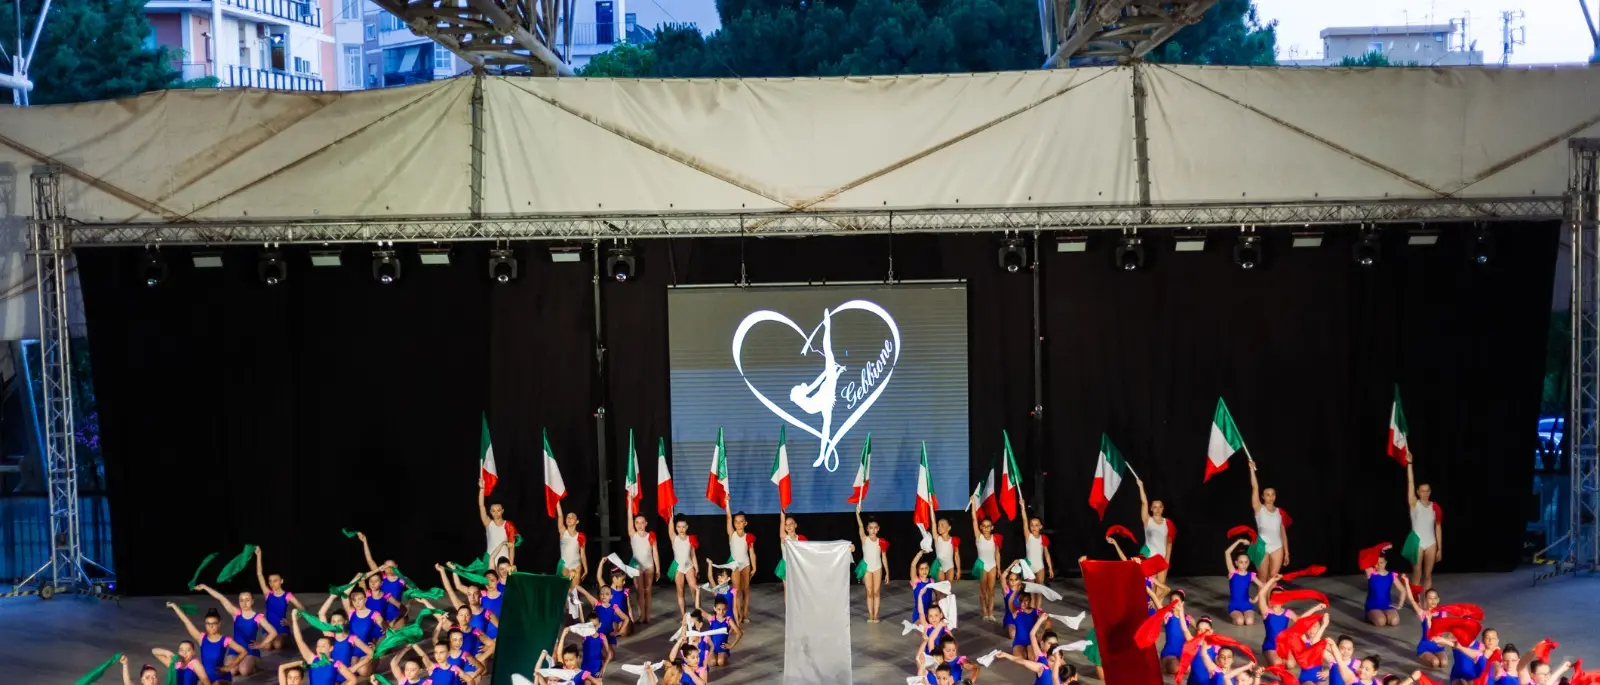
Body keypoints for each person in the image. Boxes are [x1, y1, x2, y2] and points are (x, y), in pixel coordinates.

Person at [193, 584, 277, 678]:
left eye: (247, 600)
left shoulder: (258, 617)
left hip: (250, 650)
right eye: (242, 600)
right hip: (235, 650)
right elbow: (221, 598)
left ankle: (255, 666)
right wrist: (205, 587)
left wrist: (261, 644)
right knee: (232, 671)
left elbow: (273, 632)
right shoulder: (236, 614)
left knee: (244, 671)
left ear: (252, 601)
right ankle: (245, 663)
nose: (244, 603)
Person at [168, 604, 250, 683]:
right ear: (205, 624)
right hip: (205, 677)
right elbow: (187, 622)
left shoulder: (225, 640)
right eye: (208, 623)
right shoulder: (202, 638)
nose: (211, 626)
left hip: (220, 677)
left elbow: (243, 652)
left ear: (219, 624)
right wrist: (175, 607)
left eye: (214, 623)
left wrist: (228, 667)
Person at [288, 610, 365, 685]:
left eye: (323, 646)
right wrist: (294, 620)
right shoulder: (312, 660)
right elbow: (299, 641)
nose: (320, 649)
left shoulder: (336, 664)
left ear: (331, 648)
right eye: (318, 646)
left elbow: (353, 680)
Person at [254, 547, 308, 652]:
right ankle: (272, 638)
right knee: (267, 647)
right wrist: (259, 555)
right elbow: (259, 574)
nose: (272, 583)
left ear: (281, 581)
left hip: (281, 626)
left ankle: (287, 637)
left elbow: (302, 609)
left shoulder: (287, 595)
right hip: (269, 627)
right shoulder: (268, 594)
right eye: (270, 581)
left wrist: (292, 621)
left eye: (275, 581)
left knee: (277, 645)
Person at [354, 533, 409, 627]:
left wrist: (410, 604)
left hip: (397, 616)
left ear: (396, 566)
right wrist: (364, 542)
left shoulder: (402, 580)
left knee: (398, 640)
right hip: (381, 617)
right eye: (386, 567)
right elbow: (370, 561)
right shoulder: (381, 578)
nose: (389, 569)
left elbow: (416, 592)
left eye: (391, 567)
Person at [1406, 455, 1443, 591]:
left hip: (1431, 543)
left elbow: (1438, 528)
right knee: (1417, 573)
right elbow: (1410, 482)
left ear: (1430, 492)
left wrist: (1440, 548)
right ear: (1418, 492)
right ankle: (1416, 602)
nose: (1425, 493)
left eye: (1427, 491)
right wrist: (1409, 464)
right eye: (1422, 491)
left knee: (1427, 575)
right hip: (1417, 543)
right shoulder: (1414, 504)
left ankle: (1427, 603)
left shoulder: (1435, 507)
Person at [1249, 460, 1290, 581]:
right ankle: (1263, 600)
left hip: (1278, 547)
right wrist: (1252, 469)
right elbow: (1255, 487)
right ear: (1262, 496)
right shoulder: (1259, 509)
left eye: (1273, 494)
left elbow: (1282, 532)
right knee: (1262, 577)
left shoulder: (1280, 512)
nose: (1270, 497)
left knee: (1273, 578)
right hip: (1262, 546)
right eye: (1267, 494)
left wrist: (1286, 552)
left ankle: (1268, 600)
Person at [1017, 490, 1055, 605]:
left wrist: (1050, 567)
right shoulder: (1028, 536)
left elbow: (1046, 554)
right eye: (1032, 525)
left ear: (1041, 527)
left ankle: (1038, 610)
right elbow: (1024, 520)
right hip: (1029, 567)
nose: (1034, 527)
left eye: (1036, 525)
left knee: (1039, 590)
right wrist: (1022, 507)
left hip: (1040, 567)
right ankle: (1032, 610)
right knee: (1031, 592)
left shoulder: (1043, 538)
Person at [969, 494, 1003, 622]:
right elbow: (973, 519)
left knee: (992, 590)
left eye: (989, 526)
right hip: (982, 565)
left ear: (992, 527)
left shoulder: (996, 538)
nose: (986, 528)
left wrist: (999, 568)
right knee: (983, 590)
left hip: (993, 565)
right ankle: (984, 612)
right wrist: (973, 503)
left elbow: (997, 554)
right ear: (981, 527)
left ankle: (991, 612)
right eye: (984, 526)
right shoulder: (979, 537)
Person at [1137, 478, 1175, 587]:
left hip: (1162, 559)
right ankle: (1150, 604)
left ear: (1163, 509)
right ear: (1151, 509)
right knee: (1151, 586)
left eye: (1160, 506)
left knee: (1161, 586)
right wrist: (1140, 486)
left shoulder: (1168, 523)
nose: (1157, 509)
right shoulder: (1148, 521)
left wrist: (1167, 561)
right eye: (1154, 507)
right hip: (1150, 558)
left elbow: (1169, 543)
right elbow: (1144, 503)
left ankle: (1158, 605)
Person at [856, 502, 888, 623]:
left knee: (876, 592)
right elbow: (859, 526)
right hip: (867, 568)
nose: (873, 530)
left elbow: (884, 557)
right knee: (869, 592)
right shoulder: (864, 539)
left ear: (878, 529)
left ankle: (876, 615)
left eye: (875, 527)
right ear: (867, 529)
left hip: (878, 568)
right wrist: (857, 514)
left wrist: (887, 572)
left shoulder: (881, 541)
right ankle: (870, 615)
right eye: (870, 527)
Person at [725, 504, 757, 623]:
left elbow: (752, 553)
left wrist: (754, 567)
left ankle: (745, 615)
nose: (738, 523)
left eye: (741, 521)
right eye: (736, 521)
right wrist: (727, 503)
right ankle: (737, 615)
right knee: (736, 590)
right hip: (735, 565)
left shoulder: (748, 537)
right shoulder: (732, 534)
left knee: (746, 590)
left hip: (746, 564)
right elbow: (728, 517)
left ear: (745, 523)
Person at [1405, 586, 1448, 670]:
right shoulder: (1423, 613)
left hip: (1437, 646)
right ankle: (1421, 655)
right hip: (1425, 646)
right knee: (1435, 663)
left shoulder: (1443, 613)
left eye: (1435, 598)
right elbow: (1411, 599)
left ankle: (1433, 655)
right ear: (1426, 600)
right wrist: (1406, 582)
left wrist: (1444, 641)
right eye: (1430, 598)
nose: (1433, 601)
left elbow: (1446, 629)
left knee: (1444, 663)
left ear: (1438, 600)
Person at [667, 513, 701, 619]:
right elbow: (670, 529)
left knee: (694, 589)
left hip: (689, 566)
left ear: (687, 527)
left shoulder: (690, 539)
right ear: (676, 528)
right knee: (680, 591)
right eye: (678, 527)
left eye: (683, 527)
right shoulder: (674, 538)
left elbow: (693, 555)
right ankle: (684, 616)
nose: (681, 529)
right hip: (678, 568)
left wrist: (696, 567)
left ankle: (698, 612)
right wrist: (671, 516)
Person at [556, 612, 611, 676]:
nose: (593, 628)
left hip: (598, 668)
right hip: (586, 668)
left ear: (599, 625)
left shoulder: (602, 637)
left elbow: (609, 653)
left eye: (595, 625)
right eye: (591, 626)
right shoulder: (585, 636)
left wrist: (603, 668)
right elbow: (582, 624)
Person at [479, 477, 518, 567]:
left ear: (503, 510)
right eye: (493, 510)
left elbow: (511, 548)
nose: (496, 513)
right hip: (489, 561)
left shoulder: (509, 525)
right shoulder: (488, 523)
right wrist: (482, 489)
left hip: (503, 563)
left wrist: (511, 565)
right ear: (490, 511)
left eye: (498, 510)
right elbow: (481, 506)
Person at [628, 513, 660, 625]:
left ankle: (647, 616)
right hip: (637, 566)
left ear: (646, 523)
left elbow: (655, 553)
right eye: (637, 522)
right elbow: (629, 518)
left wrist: (658, 569)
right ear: (634, 524)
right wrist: (630, 501)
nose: (640, 525)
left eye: (642, 522)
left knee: (648, 591)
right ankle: (641, 616)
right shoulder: (633, 534)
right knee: (640, 592)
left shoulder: (650, 536)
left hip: (649, 565)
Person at [1223, 540, 1260, 626]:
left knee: (1249, 622)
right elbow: (1227, 552)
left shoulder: (1251, 575)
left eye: (1246, 562)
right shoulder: (1233, 573)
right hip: (1234, 605)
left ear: (1248, 562)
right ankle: (1237, 617)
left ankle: (1244, 615)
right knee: (1240, 622)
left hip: (1247, 604)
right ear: (1236, 563)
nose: (1244, 565)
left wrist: (1256, 599)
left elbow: (1262, 586)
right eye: (1241, 562)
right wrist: (1239, 541)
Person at [990, 649, 1076, 685]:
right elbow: (1023, 662)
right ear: (1046, 659)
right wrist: (1006, 655)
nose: (1053, 664)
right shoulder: (1042, 668)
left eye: (1056, 661)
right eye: (1051, 660)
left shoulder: (1067, 672)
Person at [1364, 549, 1403, 627]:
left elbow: (1403, 590)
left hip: (1386, 605)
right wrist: (1379, 549)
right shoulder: (1370, 572)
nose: (1379, 565)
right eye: (1376, 563)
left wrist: (1400, 604)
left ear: (1385, 563)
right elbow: (1364, 557)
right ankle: (1369, 615)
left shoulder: (1391, 575)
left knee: (1395, 621)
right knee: (1381, 622)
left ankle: (1383, 614)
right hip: (1373, 606)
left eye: (1381, 563)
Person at [774, 512, 807, 599]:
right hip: (786, 566)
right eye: (786, 524)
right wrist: (782, 513)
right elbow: (782, 521)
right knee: (788, 590)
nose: (788, 526)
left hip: (797, 566)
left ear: (795, 525)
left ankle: (798, 610)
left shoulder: (801, 538)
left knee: (798, 589)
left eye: (791, 524)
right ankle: (788, 611)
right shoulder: (784, 537)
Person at [556, 502, 588, 589]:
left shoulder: (581, 536)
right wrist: (557, 503)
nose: (569, 519)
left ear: (577, 521)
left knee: (574, 592)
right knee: (564, 591)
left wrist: (586, 568)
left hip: (576, 565)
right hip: (565, 565)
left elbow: (582, 554)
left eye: (572, 517)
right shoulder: (563, 532)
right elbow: (560, 516)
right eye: (568, 517)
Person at [1159, 590, 1191, 675]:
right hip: (1169, 653)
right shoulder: (1167, 616)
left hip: (1181, 653)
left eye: (1176, 601)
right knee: (1175, 669)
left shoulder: (1188, 619)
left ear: (1182, 603)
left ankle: (1168, 665)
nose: (1174, 603)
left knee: (1188, 669)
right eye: (1172, 601)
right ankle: (1164, 663)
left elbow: (1200, 630)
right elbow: (1158, 605)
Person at [706, 594, 743, 666]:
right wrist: (697, 592)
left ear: (727, 608)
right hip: (712, 647)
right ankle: (712, 655)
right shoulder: (711, 618)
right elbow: (698, 607)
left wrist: (732, 645)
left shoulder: (728, 620)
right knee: (712, 663)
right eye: (719, 609)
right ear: (714, 609)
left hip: (722, 647)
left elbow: (739, 633)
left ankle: (724, 655)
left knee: (720, 662)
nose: (721, 612)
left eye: (724, 609)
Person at [537, 645, 602, 685]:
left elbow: (598, 683)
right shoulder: (562, 669)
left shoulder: (583, 673)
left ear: (577, 658)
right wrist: (564, 634)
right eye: (566, 660)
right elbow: (559, 654)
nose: (569, 663)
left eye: (571, 660)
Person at [1011, 592, 1048, 659]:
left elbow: (1047, 620)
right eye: (1021, 600)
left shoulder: (1036, 611)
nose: (1023, 603)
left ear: (1030, 601)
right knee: (1019, 658)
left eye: (1026, 600)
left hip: (1031, 641)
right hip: (1019, 641)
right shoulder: (1016, 612)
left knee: (1033, 658)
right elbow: (1010, 602)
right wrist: (1015, 591)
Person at [910, 550, 936, 624]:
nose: (924, 571)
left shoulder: (931, 581)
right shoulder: (916, 581)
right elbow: (913, 565)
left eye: (926, 568)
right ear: (918, 570)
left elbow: (938, 595)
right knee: (926, 627)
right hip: (918, 615)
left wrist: (936, 604)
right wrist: (920, 553)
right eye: (921, 569)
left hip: (929, 614)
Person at [932, 518, 961, 584]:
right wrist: (931, 508)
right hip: (939, 566)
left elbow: (956, 556)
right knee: (941, 590)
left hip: (950, 567)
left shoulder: (954, 540)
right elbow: (933, 521)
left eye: (942, 525)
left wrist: (958, 570)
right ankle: (938, 593)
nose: (939, 527)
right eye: (938, 525)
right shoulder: (937, 538)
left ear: (949, 528)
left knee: (948, 589)